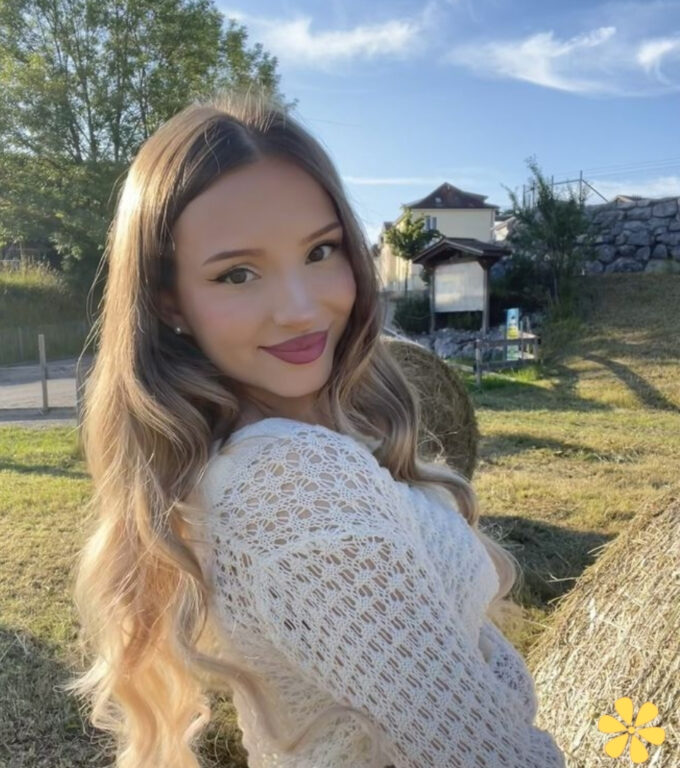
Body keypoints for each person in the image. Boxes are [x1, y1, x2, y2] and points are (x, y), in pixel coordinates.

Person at [64, 86, 567, 768]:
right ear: (169, 303)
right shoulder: (297, 486)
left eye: (321, 252)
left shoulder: (267, 451)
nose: (300, 309)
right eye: (237, 274)